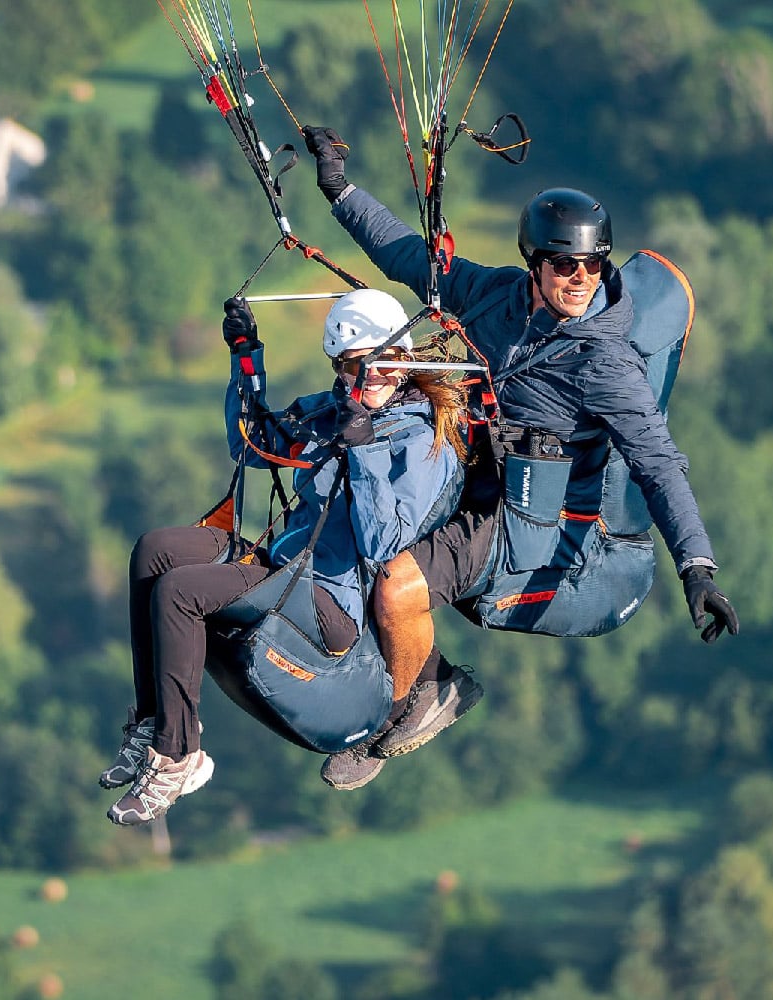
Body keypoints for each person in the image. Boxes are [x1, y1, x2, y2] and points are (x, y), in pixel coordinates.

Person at [301, 124, 740, 790]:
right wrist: (339, 188)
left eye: (594, 265)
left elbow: (657, 462)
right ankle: (400, 670)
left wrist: (698, 567)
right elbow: (407, 256)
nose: (581, 279)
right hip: (467, 471)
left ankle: (417, 704)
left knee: (397, 585)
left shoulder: (604, 363)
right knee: (346, 516)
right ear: (535, 264)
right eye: (567, 265)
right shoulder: (495, 296)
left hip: (526, 515)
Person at [101, 288, 475, 824]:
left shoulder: (422, 441)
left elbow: (382, 544)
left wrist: (364, 448)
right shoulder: (334, 411)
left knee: (180, 594)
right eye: (343, 369)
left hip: (333, 602)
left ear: (395, 363)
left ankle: (177, 755)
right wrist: (246, 356)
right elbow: (251, 444)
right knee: (156, 553)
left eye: (360, 368)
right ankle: (151, 721)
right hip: (284, 567)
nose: (351, 382)